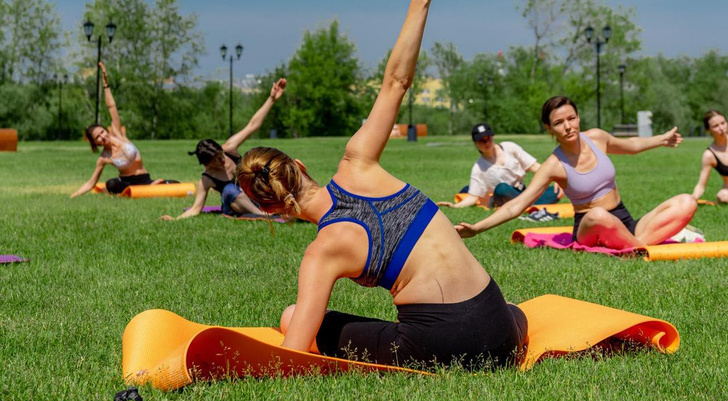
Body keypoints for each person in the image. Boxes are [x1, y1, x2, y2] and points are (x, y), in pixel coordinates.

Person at [235, 0, 526, 370]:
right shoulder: (359, 159)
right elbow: (397, 82)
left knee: (293, 316)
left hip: (440, 348)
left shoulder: (321, 252)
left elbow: (293, 355)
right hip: (501, 334)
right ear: (299, 166)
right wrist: (420, 4)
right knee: (512, 311)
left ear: (269, 208)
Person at [456, 96, 697, 250]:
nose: (568, 125)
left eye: (571, 118)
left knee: (686, 202)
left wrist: (662, 140)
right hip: (589, 227)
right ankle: (640, 249)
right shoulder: (554, 164)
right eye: (559, 122)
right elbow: (516, 205)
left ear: (579, 118)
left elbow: (632, 145)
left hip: (624, 220)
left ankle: (635, 244)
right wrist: (477, 228)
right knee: (598, 215)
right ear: (549, 129)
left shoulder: (597, 138)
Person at [160, 78, 287, 220]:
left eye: (221, 155)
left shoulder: (229, 148)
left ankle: (273, 208)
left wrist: (272, 99)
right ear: (208, 164)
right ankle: (267, 216)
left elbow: (252, 125)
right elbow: (196, 209)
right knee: (229, 190)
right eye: (218, 160)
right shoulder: (206, 179)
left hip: (254, 196)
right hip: (235, 205)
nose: (223, 159)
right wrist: (174, 219)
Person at [71, 62, 174, 198]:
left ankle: (148, 187)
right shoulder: (103, 158)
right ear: (97, 143)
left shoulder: (118, 134)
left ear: (105, 130)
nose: (102, 136)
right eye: (98, 138)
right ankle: (141, 190)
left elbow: (111, 107)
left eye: (102, 132)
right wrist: (73, 196)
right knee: (111, 184)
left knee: (174, 184)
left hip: (144, 178)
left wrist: (105, 85)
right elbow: (91, 182)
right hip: (126, 184)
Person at [437, 122, 563, 209]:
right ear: (476, 144)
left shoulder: (510, 147)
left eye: (488, 138)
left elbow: (534, 166)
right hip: (502, 196)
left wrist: (556, 178)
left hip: (520, 191)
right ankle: (528, 202)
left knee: (555, 192)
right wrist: (454, 206)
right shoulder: (478, 168)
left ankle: (527, 202)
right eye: (482, 140)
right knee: (502, 188)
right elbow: (473, 197)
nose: (487, 143)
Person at [691, 110, 728, 203]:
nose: (721, 128)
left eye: (723, 123)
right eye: (715, 126)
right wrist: (692, 199)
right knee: (722, 196)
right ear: (708, 130)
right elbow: (701, 185)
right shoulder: (710, 155)